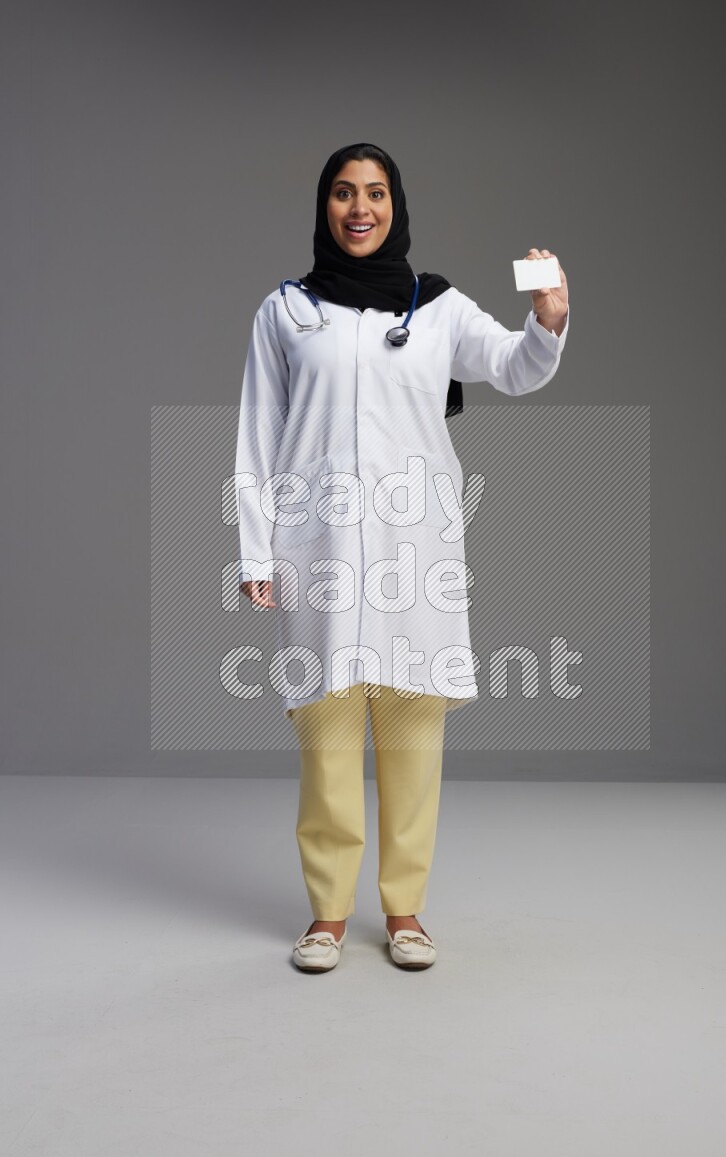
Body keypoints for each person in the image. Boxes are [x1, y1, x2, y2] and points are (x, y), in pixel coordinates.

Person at [235, 142, 570, 972]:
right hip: (318, 551)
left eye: (375, 193)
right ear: (324, 207)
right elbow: (257, 436)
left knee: (413, 730)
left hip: (414, 549)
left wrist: (549, 319)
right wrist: (255, 552)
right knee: (328, 733)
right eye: (344, 193)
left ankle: (406, 909)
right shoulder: (286, 312)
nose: (360, 208)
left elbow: (512, 368)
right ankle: (327, 915)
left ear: (396, 205)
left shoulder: (437, 306)